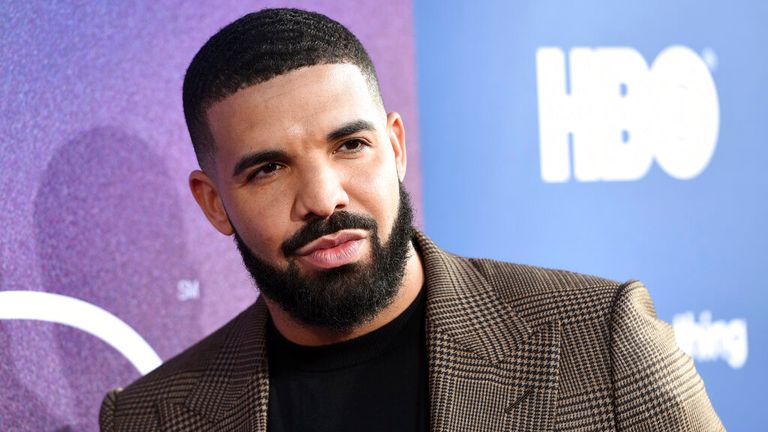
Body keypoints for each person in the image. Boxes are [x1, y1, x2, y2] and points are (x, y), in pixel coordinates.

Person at [99, 8, 724, 432]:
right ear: (214, 203)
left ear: (395, 148)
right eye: (268, 170)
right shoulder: (151, 416)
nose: (323, 198)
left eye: (350, 146)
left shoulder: (600, 341)